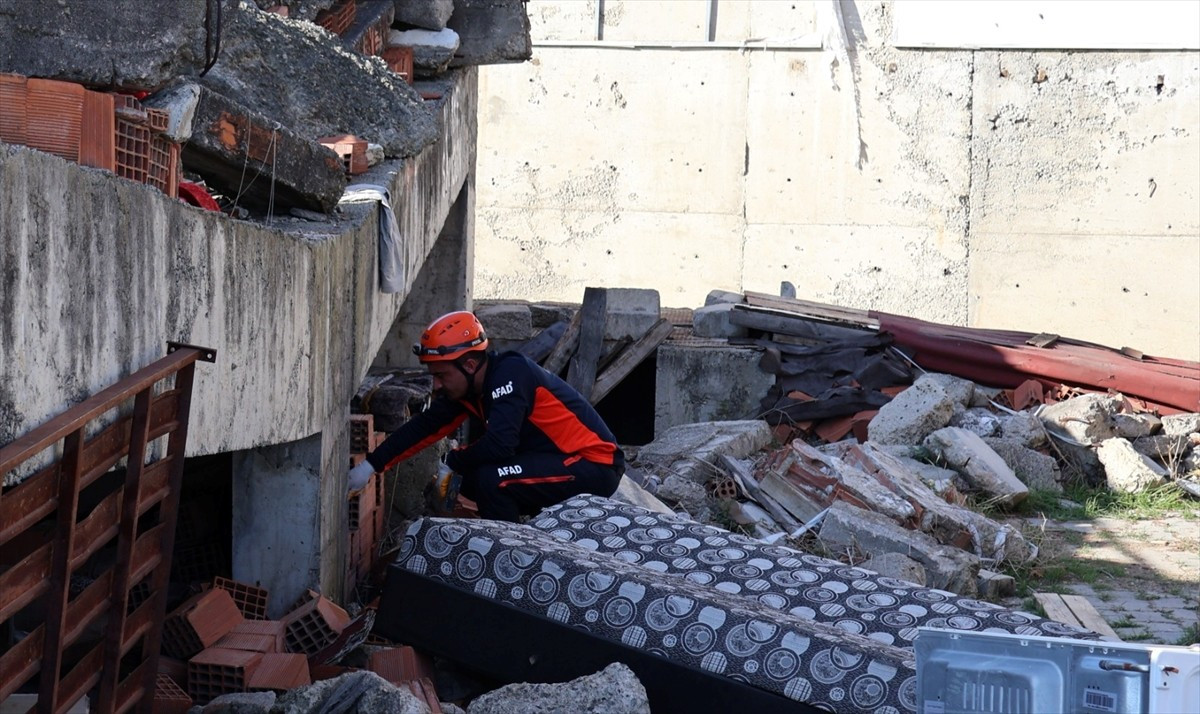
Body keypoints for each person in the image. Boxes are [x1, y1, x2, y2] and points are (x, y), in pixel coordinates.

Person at [347, 310, 624, 522]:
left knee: (494, 480)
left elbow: (501, 445)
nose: (437, 386)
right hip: (559, 460)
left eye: (441, 375)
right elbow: (424, 428)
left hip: (594, 464)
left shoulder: (510, 375)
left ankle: (505, 565)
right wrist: (370, 466)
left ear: (469, 364)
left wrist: (453, 460)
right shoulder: (467, 389)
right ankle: (526, 536)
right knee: (474, 481)